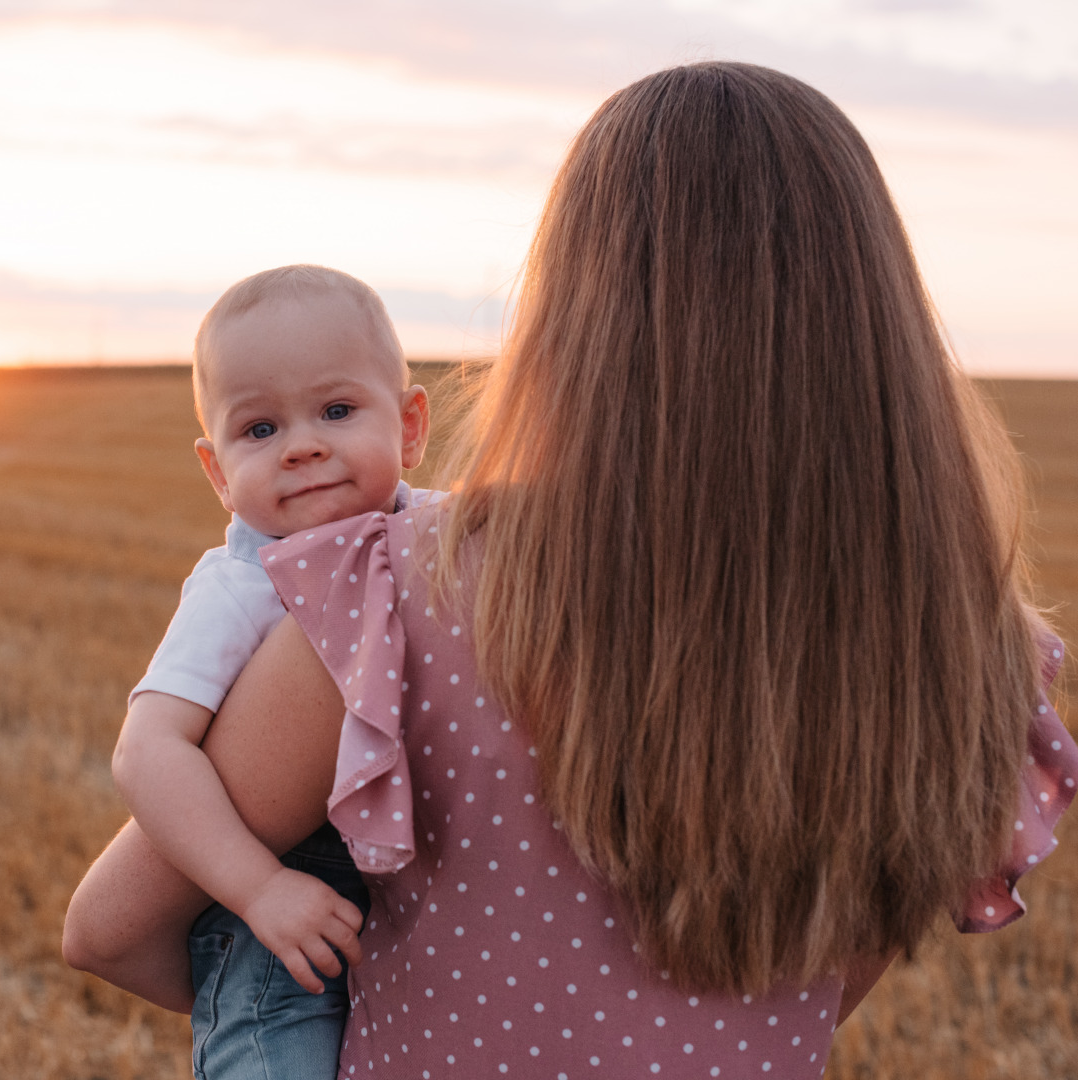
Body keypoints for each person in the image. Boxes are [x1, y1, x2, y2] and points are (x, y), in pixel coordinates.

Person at [64, 62, 1076, 1079]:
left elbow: (110, 929)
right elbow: (817, 995)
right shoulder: (967, 661)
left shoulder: (406, 594)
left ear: (573, 316)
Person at [108, 264, 433, 1079]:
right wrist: (257, 890)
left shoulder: (440, 532)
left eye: (335, 410)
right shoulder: (241, 586)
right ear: (216, 472)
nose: (303, 445)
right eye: (258, 431)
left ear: (411, 421)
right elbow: (147, 751)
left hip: (405, 903)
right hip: (272, 926)